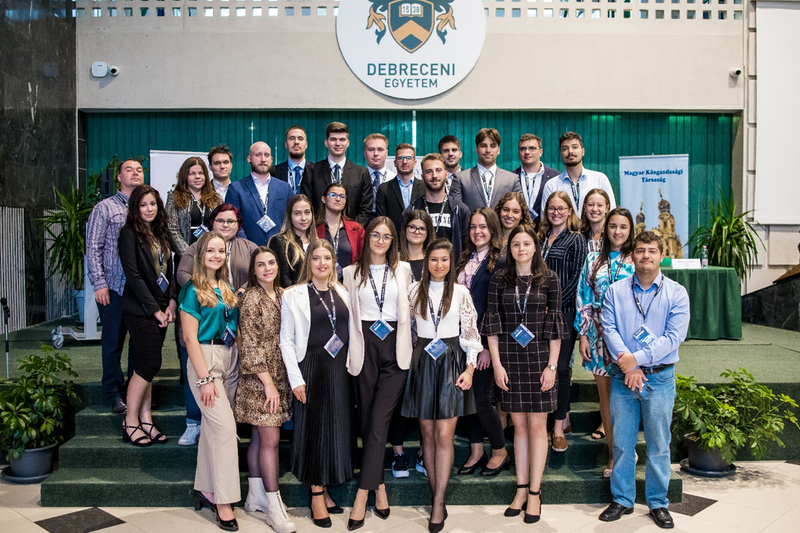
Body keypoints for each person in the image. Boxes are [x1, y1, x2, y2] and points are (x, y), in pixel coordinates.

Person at [598, 231, 689, 529]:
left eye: (651, 250)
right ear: (632, 256)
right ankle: (622, 499)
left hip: (659, 379)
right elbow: (610, 330)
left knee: (659, 445)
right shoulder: (615, 291)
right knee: (623, 444)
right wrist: (629, 366)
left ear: (661, 255)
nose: (645, 255)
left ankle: (658, 502)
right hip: (623, 379)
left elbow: (673, 338)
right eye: (640, 250)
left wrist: (636, 359)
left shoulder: (677, 293)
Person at [483, 223, 567, 524]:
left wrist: (552, 367)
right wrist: (497, 365)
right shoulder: (499, 279)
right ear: (510, 249)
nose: (521, 249)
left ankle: (534, 492)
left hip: (540, 359)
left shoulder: (550, 279)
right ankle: (520, 490)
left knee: (537, 427)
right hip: (509, 359)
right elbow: (492, 326)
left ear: (535, 247)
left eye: (526, 244)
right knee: (518, 426)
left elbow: (555, 326)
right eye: (516, 244)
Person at [402, 238, 482, 533]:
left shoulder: (461, 292)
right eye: (433, 259)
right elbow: (408, 328)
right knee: (427, 433)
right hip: (423, 361)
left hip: (451, 361)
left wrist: (470, 368)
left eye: (444, 260)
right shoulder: (413, 290)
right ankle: (435, 494)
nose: (439, 265)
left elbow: (470, 332)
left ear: (451, 263)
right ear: (426, 262)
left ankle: (438, 501)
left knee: (445, 433)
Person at [342, 217, 414, 531]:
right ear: (367, 237)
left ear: (393, 240)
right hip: (364, 346)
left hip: (395, 348)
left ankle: (362, 493)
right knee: (368, 419)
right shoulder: (350, 273)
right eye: (375, 234)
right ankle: (379, 485)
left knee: (380, 419)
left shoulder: (404, 270)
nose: (381, 240)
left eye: (387, 236)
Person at [279, 240, 354, 528]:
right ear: (308, 262)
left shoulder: (343, 291)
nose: (322, 263)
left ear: (334, 262)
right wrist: (295, 379)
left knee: (335, 429)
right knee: (314, 430)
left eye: (327, 258)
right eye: (316, 258)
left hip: (339, 368)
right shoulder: (293, 294)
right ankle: (316, 495)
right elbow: (286, 340)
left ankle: (326, 487)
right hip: (311, 367)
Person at [176, 204, 258, 445]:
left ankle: (221, 433)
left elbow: (259, 273)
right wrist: (205, 291)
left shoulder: (249, 247)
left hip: (231, 330)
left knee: (225, 404)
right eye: (220, 220)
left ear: (238, 225)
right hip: (204, 325)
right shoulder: (196, 247)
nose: (225, 225)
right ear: (212, 222)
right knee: (201, 383)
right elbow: (182, 274)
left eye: (231, 221)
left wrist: (239, 291)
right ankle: (193, 423)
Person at [180, 231, 241, 531]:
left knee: (213, 430)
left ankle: (205, 487)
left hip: (229, 359)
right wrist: (203, 378)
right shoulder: (192, 289)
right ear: (201, 255)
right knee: (226, 430)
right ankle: (224, 501)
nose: (216, 256)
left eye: (221, 251)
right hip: (206, 359)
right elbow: (189, 338)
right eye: (211, 251)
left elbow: (234, 327)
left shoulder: (226, 288)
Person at [235, 247, 296, 533]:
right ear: (253, 270)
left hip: (279, 375)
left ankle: (254, 496)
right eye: (261, 264)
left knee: (260, 440)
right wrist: (268, 384)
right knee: (270, 440)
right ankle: (274, 507)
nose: (267, 268)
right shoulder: (251, 298)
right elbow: (250, 345)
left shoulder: (283, 294)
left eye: (271, 263)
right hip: (259, 379)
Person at [576, 208, 636, 478]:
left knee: (627, 397)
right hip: (598, 334)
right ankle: (613, 454)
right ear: (605, 229)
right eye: (613, 226)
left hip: (628, 335)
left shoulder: (635, 259)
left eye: (623, 227)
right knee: (606, 398)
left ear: (630, 230)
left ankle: (627, 450)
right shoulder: (592, 259)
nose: (617, 231)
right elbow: (583, 298)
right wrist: (583, 334)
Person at [118, 184, 177, 449]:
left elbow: (170, 270)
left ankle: (146, 419)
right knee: (150, 362)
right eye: (143, 205)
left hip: (163, 306)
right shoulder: (128, 234)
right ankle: (130, 421)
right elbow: (133, 275)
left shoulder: (161, 232)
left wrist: (172, 301)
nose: (149, 209)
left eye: (152, 204)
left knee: (146, 363)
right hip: (140, 308)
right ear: (135, 208)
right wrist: (154, 309)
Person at [454, 208, 510, 477]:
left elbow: (497, 307)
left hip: (484, 342)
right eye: (474, 227)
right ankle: (476, 450)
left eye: (483, 226)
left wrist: (488, 346)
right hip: (461, 340)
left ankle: (500, 450)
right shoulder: (465, 258)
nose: (478, 231)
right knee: (466, 398)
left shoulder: (500, 262)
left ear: (493, 229)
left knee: (482, 399)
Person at [86, 158, 143, 414]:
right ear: (119, 177)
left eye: (139, 170)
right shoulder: (105, 208)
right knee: (113, 343)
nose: (135, 173)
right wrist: (99, 283)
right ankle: (114, 393)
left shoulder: (146, 206)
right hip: (114, 288)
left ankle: (135, 391)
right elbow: (93, 247)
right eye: (129, 170)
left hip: (140, 290)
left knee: (139, 345)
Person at [539, 191, 588, 453]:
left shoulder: (576, 239)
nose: (556, 212)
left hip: (563, 312)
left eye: (561, 208)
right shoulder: (540, 237)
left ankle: (559, 428)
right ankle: (544, 422)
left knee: (560, 369)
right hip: (538, 312)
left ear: (570, 211)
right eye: (551, 208)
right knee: (541, 367)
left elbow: (576, 279)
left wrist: (554, 305)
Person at [304, 122, 373, 225]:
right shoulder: (311, 171)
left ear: (348, 143)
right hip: (319, 230)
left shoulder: (361, 172)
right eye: (333, 139)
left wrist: (351, 230)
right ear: (326, 142)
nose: (337, 143)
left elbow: (366, 209)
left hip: (352, 231)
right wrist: (318, 229)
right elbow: (307, 205)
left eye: (342, 139)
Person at [405, 153, 469, 259]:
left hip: (452, 268)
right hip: (420, 268)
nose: (434, 175)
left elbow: (467, 248)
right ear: (422, 177)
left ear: (446, 174)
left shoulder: (460, 210)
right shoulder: (412, 210)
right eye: (429, 172)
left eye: (438, 170)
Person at [226, 141, 292, 246]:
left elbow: (291, 219)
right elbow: (233, 221)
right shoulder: (236, 188)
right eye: (258, 155)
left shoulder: (285, 188)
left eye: (266, 155)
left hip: (281, 248)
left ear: (271, 159)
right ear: (249, 159)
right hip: (248, 249)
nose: (263, 159)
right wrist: (248, 246)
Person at [540, 132, 617, 216]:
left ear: (583, 151)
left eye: (575, 147)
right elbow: (545, 219)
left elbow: (611, 213)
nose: (570, 151)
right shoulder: (551, 185)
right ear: (561, 154)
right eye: (565, 148)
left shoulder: (600, 179)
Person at [450, 128, 521, 212]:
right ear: (476, 149)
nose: (488, 150)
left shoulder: (512, 179)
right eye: (483, 146)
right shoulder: (460, 178)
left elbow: (520, 210)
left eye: (492, 146)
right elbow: (455, 212)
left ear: (498, 150)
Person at [165, 157, 222, 258]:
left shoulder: (216, 198)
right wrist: (188, 254)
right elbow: (172, 229)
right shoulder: (174, 197)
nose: (197, 177)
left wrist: (212, 252)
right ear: (185, 176)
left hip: (211, 255)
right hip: (185, 255)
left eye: (201, 173)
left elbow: (220, 226)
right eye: (192, 173)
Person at [315, 183, 365, 278]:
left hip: (349, 282)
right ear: (323, 199)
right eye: (333, 195)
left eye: (342, 196)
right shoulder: (313, 228)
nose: (338, 199)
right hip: (320, 281)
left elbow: (363, 260)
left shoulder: (357, 229)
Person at [268, 194, 317, 288]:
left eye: (307, 212)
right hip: (293, 295)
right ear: (289, 216)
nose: (303, 218)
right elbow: (283, 280)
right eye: (297, 213)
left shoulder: (318, 243)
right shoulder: (279, 242)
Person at [375, 143, 425, 232]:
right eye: (400, 158)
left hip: (418, 236)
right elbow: (382, 220)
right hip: (393, 237)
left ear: (415, 162)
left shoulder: (424, 187)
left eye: (408, 158)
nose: (404, 161)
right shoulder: (384, 189)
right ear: (395, 163)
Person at [512, 134, 560, 225]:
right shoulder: (511, 177)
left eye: (532, 148)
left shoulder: (556, 177)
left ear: (540, 152)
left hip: (546, 231)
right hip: (518, 230)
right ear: (518, 153)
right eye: (523, 149)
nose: (527, 152)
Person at [271, 125, 314, 196]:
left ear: (306, 144)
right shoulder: (274, 172)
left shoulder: (316, 171)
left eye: (300, 138)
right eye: (292, 138)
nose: (296, 142)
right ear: (286, 144)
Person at [398, 210, 435, 282]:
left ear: (428, 233)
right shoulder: (395, 260)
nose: (417, 232)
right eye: (412, 227)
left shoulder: (434, 260)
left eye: (422, 229)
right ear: (405, 229)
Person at [364, 133, 396, 212]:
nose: (376, 154)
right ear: (365, 153)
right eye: (371, 149)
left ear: (386, 153)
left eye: (380, 149)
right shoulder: (357, 178)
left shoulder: (394, 178)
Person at [580, 188, 611, 253]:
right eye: (591, 205)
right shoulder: (579, 236)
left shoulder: (613, 234)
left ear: (607, 208)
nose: (594, 209)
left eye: (599, 205)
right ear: (585, 207)